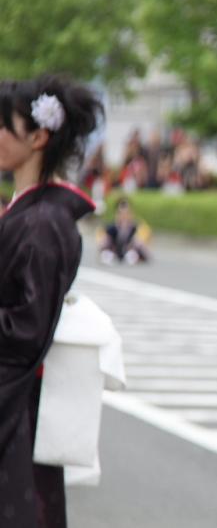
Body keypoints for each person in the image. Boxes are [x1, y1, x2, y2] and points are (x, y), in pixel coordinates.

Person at [0, 75, 103, 528]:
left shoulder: (44, 222)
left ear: (39, 136)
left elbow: (25, 332)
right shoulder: (31, 211)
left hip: (17, 407)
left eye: (4, 126)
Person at [99, 197, 150, 265]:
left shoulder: (135, 227)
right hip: (115, 252)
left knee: (133, 252)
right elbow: (104, 243)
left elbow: (141, 243)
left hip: (129, 252)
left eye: (126, 213)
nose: (124, 216)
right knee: (106, 254)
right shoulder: (111, 228)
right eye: (121, 213)